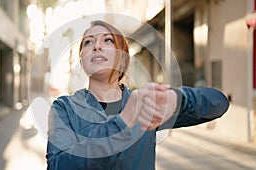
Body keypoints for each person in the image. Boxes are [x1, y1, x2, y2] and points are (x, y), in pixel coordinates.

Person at [46, 20, 229, 170]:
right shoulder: (65, 108)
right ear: (82, 60)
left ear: (123, 58)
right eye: (88, 42)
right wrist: (122, 123)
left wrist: (179, 99)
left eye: (108, 40)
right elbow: (58, 166)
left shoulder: (145, 102)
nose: (97, 46)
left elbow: (218, 103)